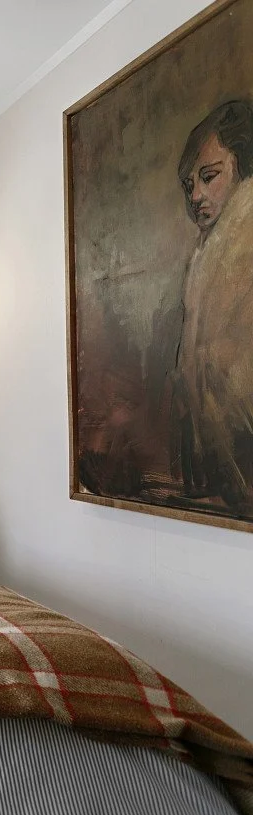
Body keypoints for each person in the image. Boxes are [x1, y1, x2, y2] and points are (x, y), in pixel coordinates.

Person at [172, 99, 253, 515]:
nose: (196, 195)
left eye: (209, 177)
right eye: (190, 185)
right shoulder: (206, 255)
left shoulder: (242, 240)